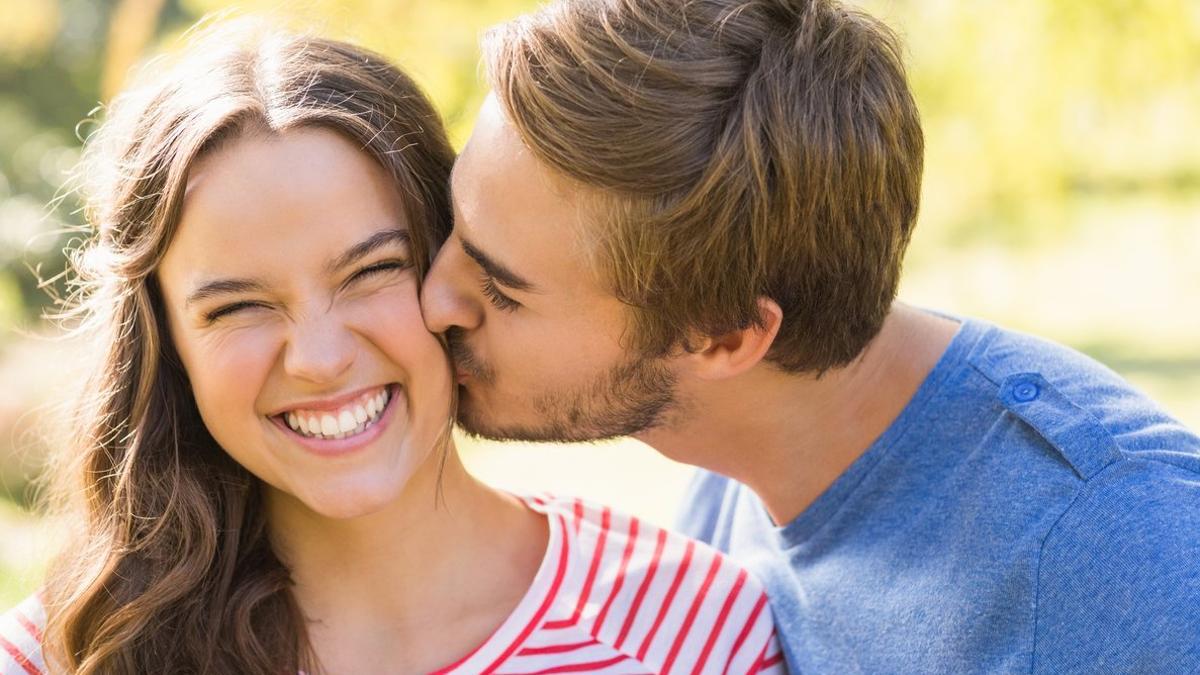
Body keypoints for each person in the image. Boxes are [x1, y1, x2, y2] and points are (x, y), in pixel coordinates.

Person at [419, 0, 1200, 671]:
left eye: (502, 287)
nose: (432, 300)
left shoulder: (1126, 552)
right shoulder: (736, 461)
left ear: (726, 338)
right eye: (454, 222)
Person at [0, 22, 785, 675]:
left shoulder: (691, 629)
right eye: (238, 306)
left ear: (453, 265)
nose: (318, 357)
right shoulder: (62, 654)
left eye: (372, 271)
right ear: (169, 343)